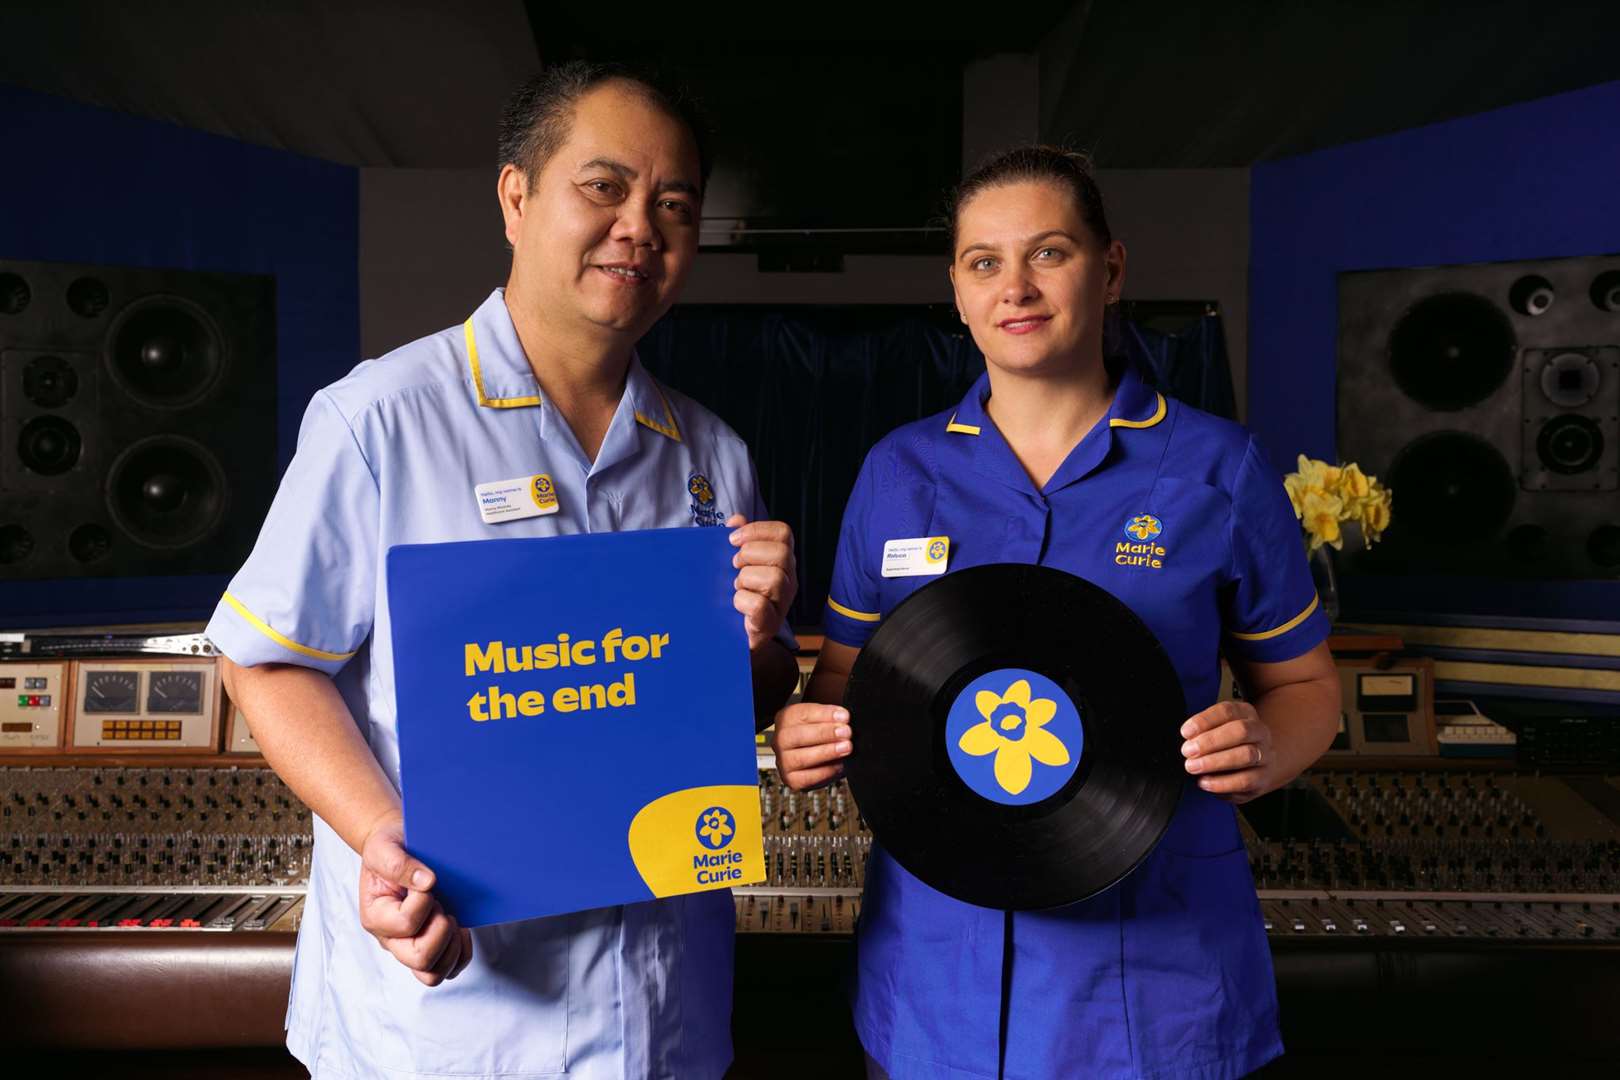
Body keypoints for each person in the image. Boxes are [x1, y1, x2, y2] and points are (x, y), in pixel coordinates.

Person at [209, 62, 800, 1079]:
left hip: (665, 1013)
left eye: (674, 205)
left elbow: (749, 694)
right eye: (604, 187)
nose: (640, 229)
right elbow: (265, 662)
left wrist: (754, 642)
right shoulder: (379, 419)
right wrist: (385, 837)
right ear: (516, 197)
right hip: (451, 1023)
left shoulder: (715, 455)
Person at [771, 146, 1342, 1080]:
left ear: (1110, 269)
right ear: (955, 291)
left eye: (1051, 253)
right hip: (931, 991)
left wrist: (1273, 745)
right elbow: (845, 679)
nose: (1016, 287)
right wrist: (809, 728)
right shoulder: (896, 472)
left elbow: (1309, 686)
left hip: (1157, 994)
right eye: (984, 262)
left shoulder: (1220, 469)